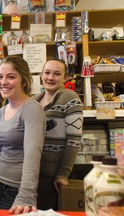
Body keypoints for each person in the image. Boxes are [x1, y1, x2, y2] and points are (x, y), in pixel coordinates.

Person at [0, 56, 46, 214]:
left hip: (16, 191)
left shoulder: (32, 109)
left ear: (24, 80)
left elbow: (33, 154)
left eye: (11, 77)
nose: (3, 82)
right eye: (0, 77)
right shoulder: (1, 112)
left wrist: (26, 194)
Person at [34, 59, 83, 210]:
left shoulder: (70, 98)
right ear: (41, 75)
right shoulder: (34, 100)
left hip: (52, 175)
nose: (50, 77)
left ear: (65, 78)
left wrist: (63, 173)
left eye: (57, 74)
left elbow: (74, 140)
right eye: (47, 73)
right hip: (33, 171)